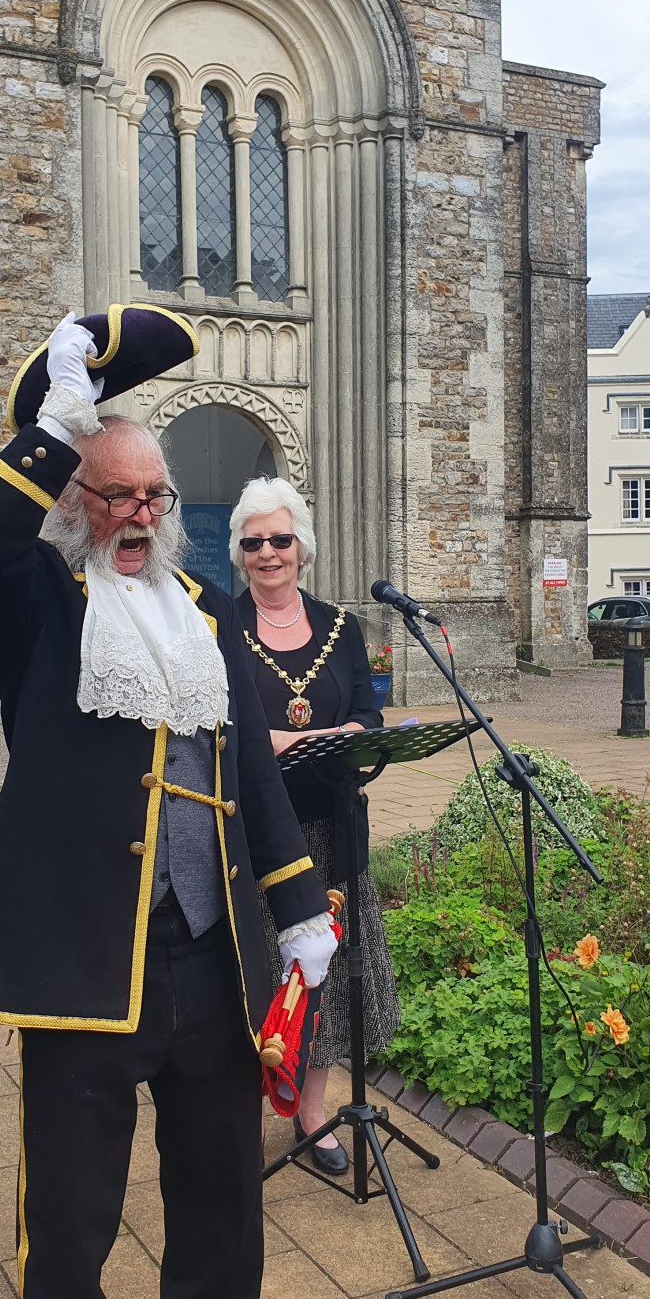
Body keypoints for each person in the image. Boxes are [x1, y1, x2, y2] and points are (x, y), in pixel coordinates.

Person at [0, 310, 339, 1299]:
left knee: (219, 1187)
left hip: (212, 957)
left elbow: (251, 772)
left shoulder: (205, 612)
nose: (142, 515)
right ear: (74, 503)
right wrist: (57, 429)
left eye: (155, 495)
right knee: (73, 1211)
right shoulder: (35, 608)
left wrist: (301, 911)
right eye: (116, 496)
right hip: (84, 963)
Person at [231, 478, 401, 1174]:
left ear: (303, 546)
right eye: (253, 542)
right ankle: (240, 1118)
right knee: (260, 979)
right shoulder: (219, 627)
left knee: (326, 979)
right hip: (256, 836)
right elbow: (216, 725)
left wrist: (348, 733)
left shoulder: (343, 627)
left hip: (332, 828)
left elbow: (368, 714)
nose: (268, 552)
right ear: (240, 553)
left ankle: (312, 1119)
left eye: (280, 538)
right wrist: (261, 741)